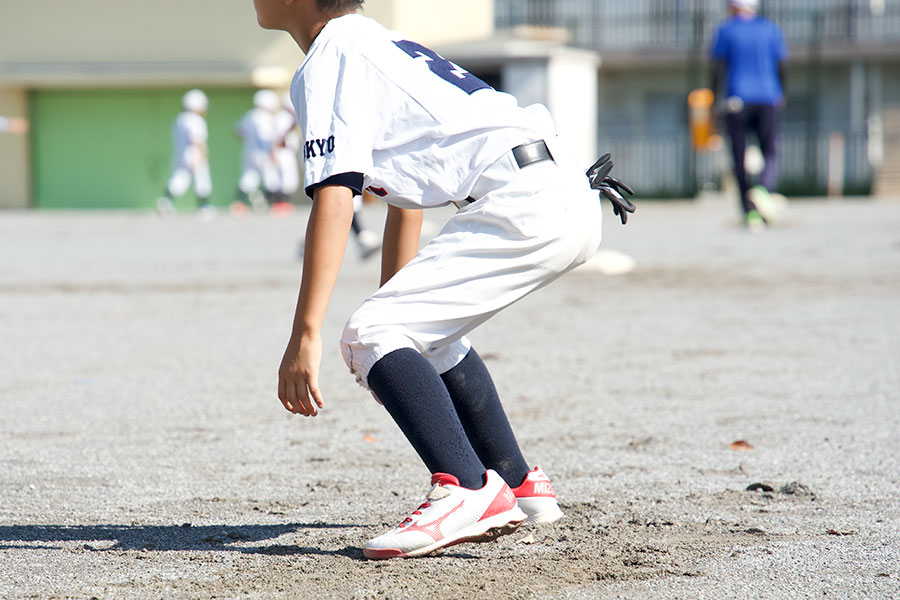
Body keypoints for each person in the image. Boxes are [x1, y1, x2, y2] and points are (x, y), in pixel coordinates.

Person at [254, 0, 633, 559]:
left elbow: (336, 197)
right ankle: (520, 484)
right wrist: (400, 343)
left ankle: (469, 488)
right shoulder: (374, 43)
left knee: (367, 333)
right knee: (408, 331)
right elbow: (407, 200)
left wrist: (306, 336)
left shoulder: (330, 55)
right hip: (561, 192)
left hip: (522, 202)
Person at [711, 0, 788, 230]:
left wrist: (714, 100)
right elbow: (782, 66)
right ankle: (764, 190)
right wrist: (781, 92)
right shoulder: (770, 28)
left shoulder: (726, 30)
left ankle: (750, 211)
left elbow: (717, 68)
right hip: (767, 97)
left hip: (737, 99)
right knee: (770, 150)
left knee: (739, 156)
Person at [157, 89, 214, 217]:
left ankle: (166, 200)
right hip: (194, 153)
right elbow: (196, 140)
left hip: (181, 153)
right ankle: (203, 207)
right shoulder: (196, 120)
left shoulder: (180, 118)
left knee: (180, 179)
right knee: (202, 180)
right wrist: (201, 155)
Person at [235, 89, 282, 210]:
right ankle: (273, 204)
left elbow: (238, 132)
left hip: (249, 151)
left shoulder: (250, 115)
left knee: (249, 177)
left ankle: (239, 203)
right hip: (263, 152)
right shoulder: (265, 117)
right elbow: (266, 137)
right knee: (271, 178)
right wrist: (273, 153)